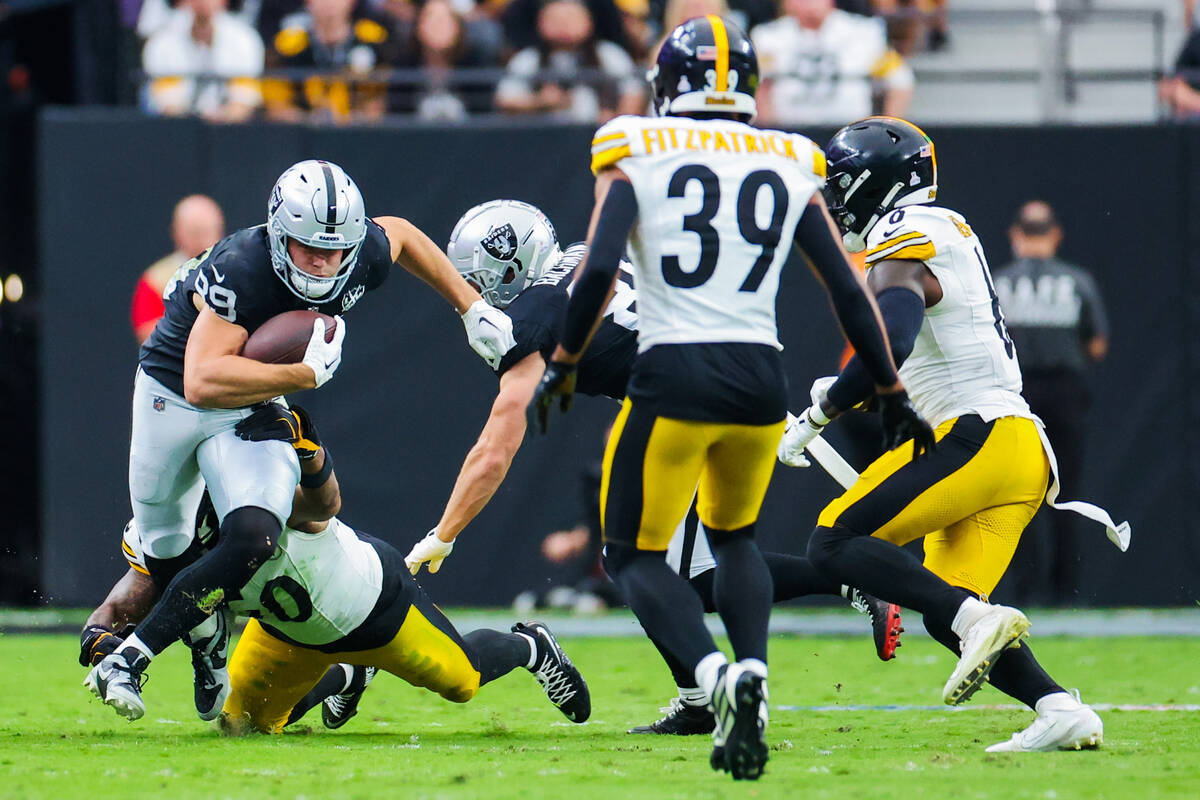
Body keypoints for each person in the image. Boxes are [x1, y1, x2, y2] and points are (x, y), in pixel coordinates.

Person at [521, 19, 931, 779]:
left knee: (632, 555)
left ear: (667, 82)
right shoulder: (788, 158)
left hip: (674, 372)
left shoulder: (634, 146)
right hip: (760, 378)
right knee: (735, 542)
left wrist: (565, 362)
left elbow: (600, 268)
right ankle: (755, 678)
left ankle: (714, 680)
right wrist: (890, 386)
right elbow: (846, 288)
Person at [84, 159, 517, 723]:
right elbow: (203, 378)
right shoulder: (243, 266)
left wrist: (472, 307)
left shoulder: (357, 253)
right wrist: (301, 375)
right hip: (175, 397)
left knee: (255, 533)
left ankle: (131, 659)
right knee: (165, 551)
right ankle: (209, 642)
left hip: (252, 404)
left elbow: (405, 236)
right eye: (308, 247)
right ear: (278, 232)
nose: (322, 262)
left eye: (335, 251)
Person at [784, 116, 1125, 753]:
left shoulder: (901, 232)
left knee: (831, 544)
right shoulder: (944, 228)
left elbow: (892, 337)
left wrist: (819, 413)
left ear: (874, 184)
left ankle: (978, 620)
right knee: (949, 609)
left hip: (975, 434)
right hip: (1019, 452)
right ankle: (1059, 708)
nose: (835, 197)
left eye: (841, 184)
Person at [85, 404, 590, 734]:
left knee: (462, 682)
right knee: (242, 727)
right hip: (288, 631)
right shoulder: (161, 529)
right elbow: (128, 596)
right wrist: (98, 635)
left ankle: (531, 647)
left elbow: (323, 506)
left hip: (370, 604)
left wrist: (313, 453)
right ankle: (348, 675)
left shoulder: (256, 505)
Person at [993, 201, 1110, 606]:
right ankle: (1066, 593)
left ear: (1015, 235)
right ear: (1055, 234)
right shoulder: (1076, 280)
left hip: (1016, 394)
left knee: (1017, 492)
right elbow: (1096, 343)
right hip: (1066, 391)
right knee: (1067, 493)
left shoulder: (1000, 281)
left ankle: (1024, 590)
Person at [750, 0, 913, 127]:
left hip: (850, 131)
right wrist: (772, 130)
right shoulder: (768, 36)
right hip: (789, 132)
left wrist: (886, 129)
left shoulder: (863, 31)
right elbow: (760, 87)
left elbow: (900, 80)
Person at [494, 0, 645, 123]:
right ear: (540, 23)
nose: (563, 25)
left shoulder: (609, 54)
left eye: (571, 18)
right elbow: (505, 100)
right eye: (555, 20)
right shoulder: (528, 59)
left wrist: (617, 122)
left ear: (588, 22)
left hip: (601, 136)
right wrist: (539, 102)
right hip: (542, 141)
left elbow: (633, 93)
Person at [262, 0, 399, 124]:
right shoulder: (287, 45)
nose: (329, 3)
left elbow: (380, 101)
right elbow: (277, 108)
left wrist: (352, 120)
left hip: (360, 135)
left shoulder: (373, 39)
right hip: (303, 138)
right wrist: (309, 119)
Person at [142, 0, 266, 122]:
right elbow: (168, 104)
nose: (203, 2)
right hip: (175, 130)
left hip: (229, 130)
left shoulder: (244, 39)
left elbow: (244, 100)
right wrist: (196, 125)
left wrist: (220, 119)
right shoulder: (162, 42)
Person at [133, 195, 226, 344]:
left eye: (209, 231)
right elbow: (150, 337)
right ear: (177, 232)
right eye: (196, 232)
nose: (204, 240)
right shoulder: (156, 281)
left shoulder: (236, 269)